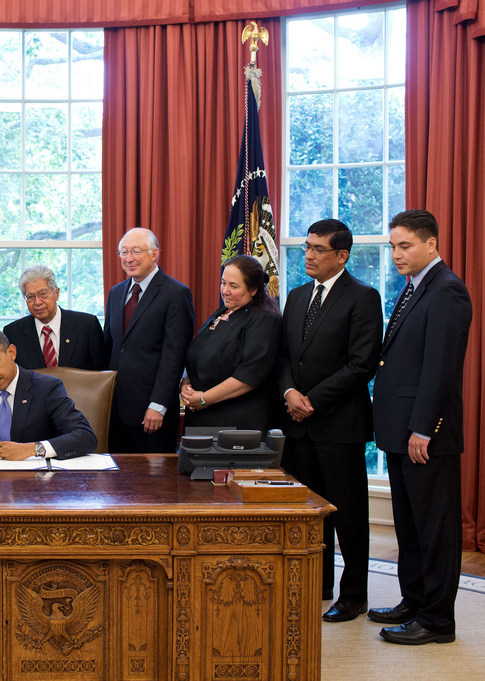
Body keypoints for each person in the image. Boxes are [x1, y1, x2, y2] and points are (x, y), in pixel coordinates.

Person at [369, 209, 472, 645]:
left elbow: (440, 369)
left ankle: (437, 621)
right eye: (393, 245)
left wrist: (423, 430)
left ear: (431, 244)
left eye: (405, 245)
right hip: (400, 431)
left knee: (435, 530)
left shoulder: (447, 290)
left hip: (424, 436)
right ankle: (413, 600)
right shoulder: (413, 288)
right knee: (409, 527)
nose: (395, 254)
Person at [277, 220, 382, 622]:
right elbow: (285, 357)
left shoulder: (363, 297)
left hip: (339, 425)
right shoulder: (298, 295)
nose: (309, 254)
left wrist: (313, 401)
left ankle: (353, 594)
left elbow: (362, 364)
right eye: (307, 247)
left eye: (319, 249)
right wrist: (289, 394)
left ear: (342, 255)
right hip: (297, 424)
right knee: (308, 512)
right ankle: (317, 584)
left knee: (348, 516)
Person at [103, 228, 194, 453]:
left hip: (151, 411)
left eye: (135, 251)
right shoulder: (116, 293)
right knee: (119, 482)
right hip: (115, 409)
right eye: (123, 252)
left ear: (154, 254)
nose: (128, 258)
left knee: (153, 484)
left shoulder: (175, 293)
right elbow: (110, 348)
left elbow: (175, 355)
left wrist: (159, 405)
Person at [0, 329, 96, 459]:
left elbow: (85, 436)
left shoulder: (47, 388)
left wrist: (33, 449)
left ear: (11, 353)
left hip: (39, 480)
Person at [179, 255, 280, 433]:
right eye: (223, 282)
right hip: (201, 418)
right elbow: (197, 354)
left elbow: (248, 376)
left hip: (237, 425)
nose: (225, 290)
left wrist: (203, 398)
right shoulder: (222, 313)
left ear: (254, 290)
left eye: (233, 286)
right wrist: (186, 384)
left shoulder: (264, 320)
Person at [3, 264, 104, 371]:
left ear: (56, 293)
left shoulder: (87, 326)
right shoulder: (13, 333)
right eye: (30, 297)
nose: (37, 302)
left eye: (43, 294)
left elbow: (102, 375)